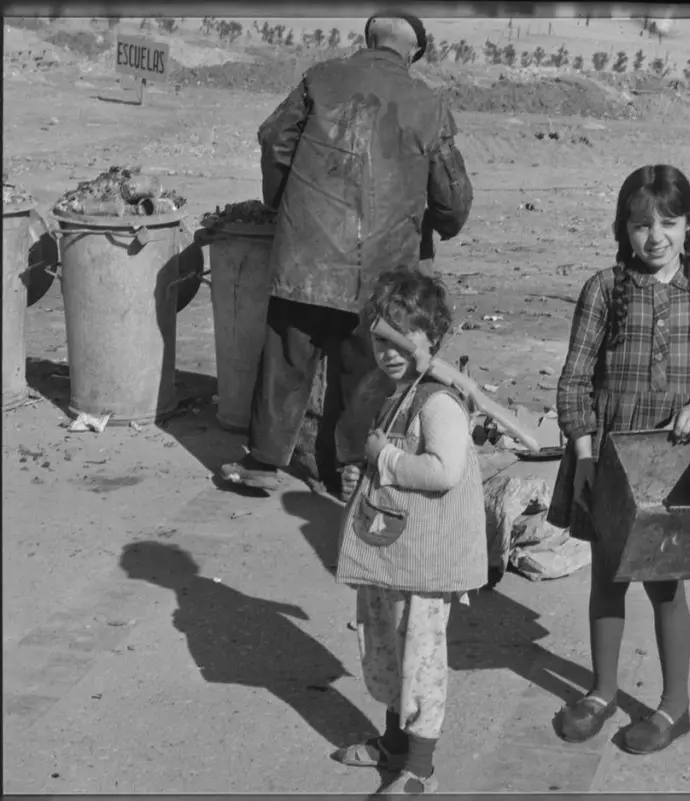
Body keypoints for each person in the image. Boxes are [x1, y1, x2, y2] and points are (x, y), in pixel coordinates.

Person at [220, 13, 473, 496]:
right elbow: (452, 197)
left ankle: (262, 463)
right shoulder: (429, 104)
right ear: (415, 52)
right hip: (383, 270)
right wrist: (444, 226)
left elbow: (275, 139)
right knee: (366, 371)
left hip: (307, 257)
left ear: (368, 39)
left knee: (288, 355)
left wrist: (284, 205)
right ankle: (349, 471)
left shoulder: (321, 77)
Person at [547, 164, 690, 755]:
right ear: (623, 229)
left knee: (665, 584)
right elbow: (574, 381)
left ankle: (673, 707)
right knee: (608, 579)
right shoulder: (604, 289)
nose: (654, 236)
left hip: (675, 463)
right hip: (608, 457)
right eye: (640, 224)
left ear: (689, 227)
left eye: (668, 222)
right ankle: (602, 693)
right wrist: (584, 456)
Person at [332, 267, 487, 794]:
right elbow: (387, 460)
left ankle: (419, 768)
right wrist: (366, 472)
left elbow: (444, 471)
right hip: (395, 553)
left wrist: (388, 459)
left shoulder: (439, 402)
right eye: (381, 339)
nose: (389, 351)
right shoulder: (398, 390)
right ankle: (394, 743)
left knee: (419, 659)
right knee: (388, 649)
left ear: (432, 340)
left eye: (403, 338)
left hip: (425, 563)